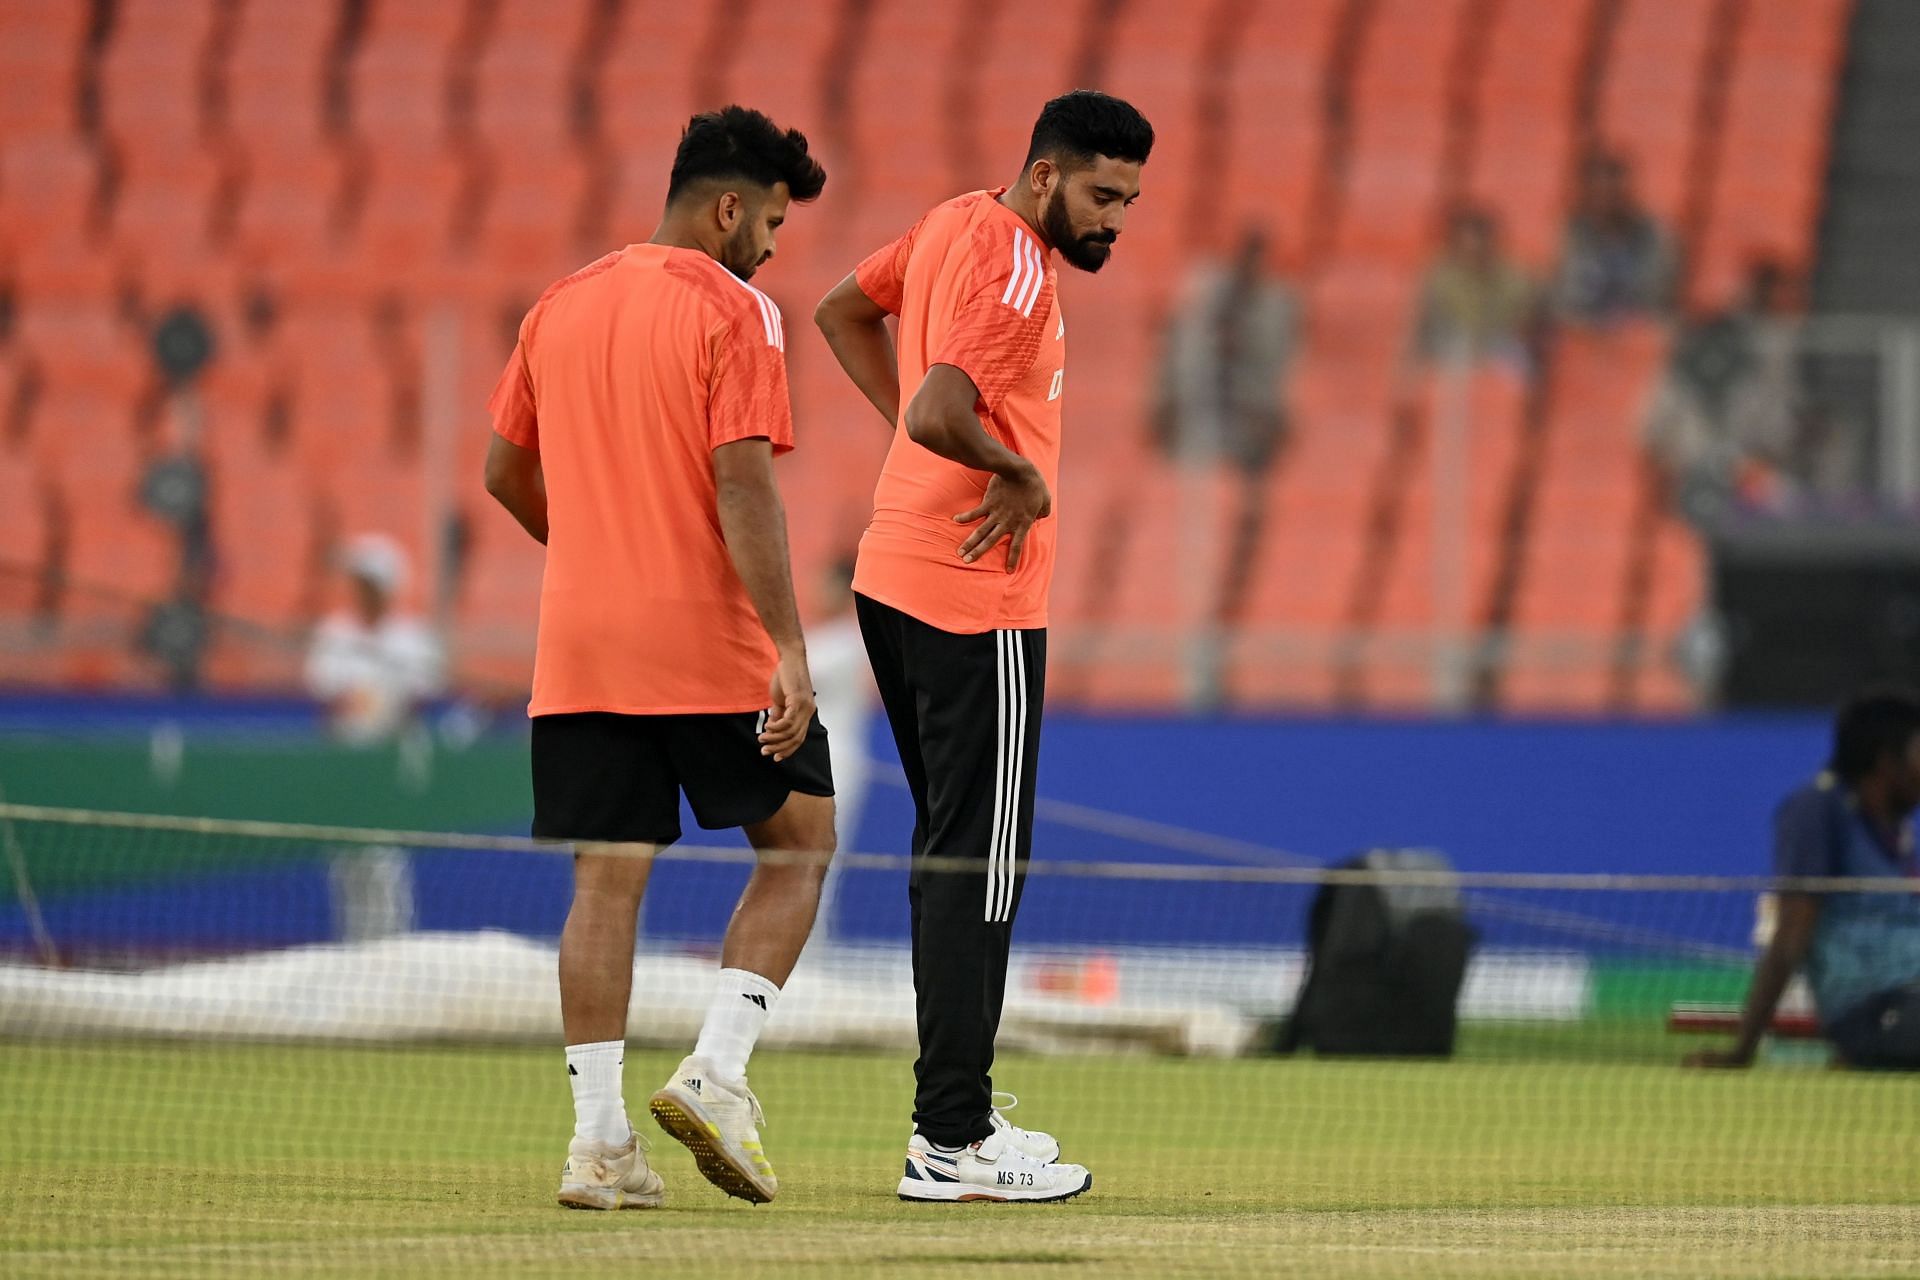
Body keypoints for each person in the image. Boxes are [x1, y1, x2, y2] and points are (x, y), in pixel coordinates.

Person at [483, 106, 833, 1211]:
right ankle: (719, 1072)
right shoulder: (736, 308)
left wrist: (593, 554)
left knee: (606, 877)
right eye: (770, 221)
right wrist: (789, 644)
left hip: (580, 644)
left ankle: (598, 1146)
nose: (773, 245)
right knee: (801, 841)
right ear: (727, 207)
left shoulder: (560, 303)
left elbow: (503, 470)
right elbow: (743, 483)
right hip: (707, 639)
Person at [814, 89, 1152, 1203]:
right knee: (982, 863)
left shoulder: (953, 220)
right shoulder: (1014, 265)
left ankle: (952, 1114)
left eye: (1132, 200)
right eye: (1105, 194)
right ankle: (951, 1136)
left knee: (949, 852)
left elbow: (838, 312)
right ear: (1048, 177)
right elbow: (941, 407)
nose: (1116, 218)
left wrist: (924, 439)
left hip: (892, 580)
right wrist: (1014, 472)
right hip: (977, 599)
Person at [1687, 688, 1920, 1072]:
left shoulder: (1897, 826)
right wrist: (1742, 1050)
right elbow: (1790, 937)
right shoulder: (1817, 812)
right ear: (1886, 761)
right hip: (1873, 1012)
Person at [302, 533, 446, 941]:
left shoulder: (412, 640)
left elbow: (417, 703)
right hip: (345, 767)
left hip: (387, 767)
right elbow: (329, 699)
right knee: (345, 861)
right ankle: (355, 951)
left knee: (385, 861)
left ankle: (391, 947)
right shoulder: (335, 633)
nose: (360, 590)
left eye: (369, 581)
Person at [1151, 224, 1297, 475]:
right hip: (1209, 410)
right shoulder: (1212, 301)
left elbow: (1281, 377)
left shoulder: (1278, 307)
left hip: (1252, 414)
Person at [806, 555, 876, 944]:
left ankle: (811, 946)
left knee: (821, 859)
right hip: (810, 764)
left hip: (837, 764)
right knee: (799, 860)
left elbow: (787, 677)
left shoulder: (846, 642)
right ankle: (802, 944)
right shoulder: (817, 639)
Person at [1551, 151, 1678, 325]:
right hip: (1583, 327)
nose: (1605, 200)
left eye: (1612, 192)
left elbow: (1657, 291)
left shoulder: (1653, 234)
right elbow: (1568, 293)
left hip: (1638, 325)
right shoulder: (1572, 234)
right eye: (1598, 192)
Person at [1413, 207, 1539, 372]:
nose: (1473, 250)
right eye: (1466, 244)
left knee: (1520, 361)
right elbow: (1426, 325)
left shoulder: (1515, 277)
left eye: (1478, 243)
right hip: (1454, 346)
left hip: (1498, 344)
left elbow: (1522, 322)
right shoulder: (1440, 276)